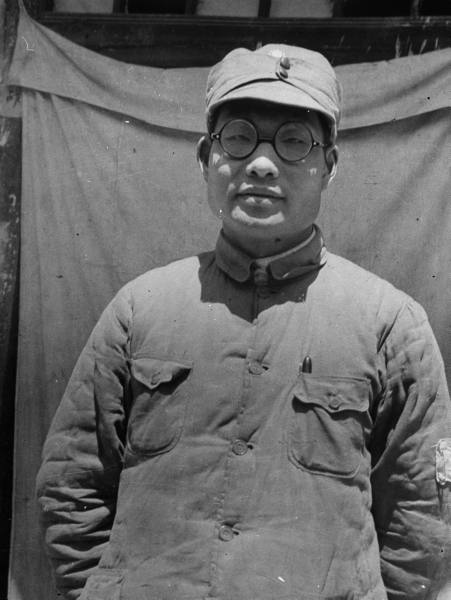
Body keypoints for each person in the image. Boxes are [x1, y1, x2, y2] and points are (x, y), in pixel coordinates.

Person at [36, 44, 451, 600]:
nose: (260, 163)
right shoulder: (140, 308)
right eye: (238, 137)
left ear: (330, 165)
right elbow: (71, 484)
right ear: (205, 156)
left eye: (294, 141)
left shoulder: (391, 325)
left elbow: (422, 516)